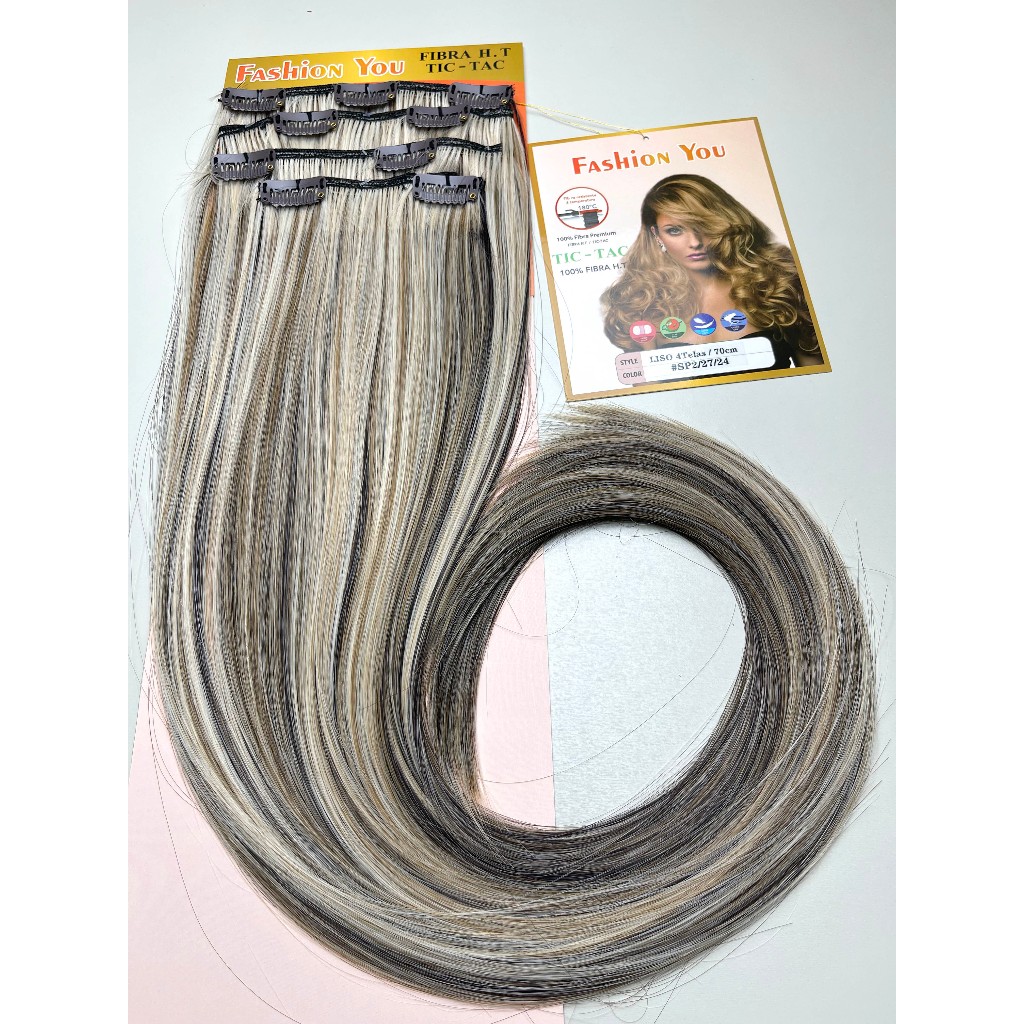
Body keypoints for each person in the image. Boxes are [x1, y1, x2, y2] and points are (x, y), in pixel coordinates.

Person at [601, 174, 824, 366]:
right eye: (675, 230)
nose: (695, 242)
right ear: (656, 235)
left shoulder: (775, 287)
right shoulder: (643, 305)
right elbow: (649, 392)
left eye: (704, 226)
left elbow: (816, 376)